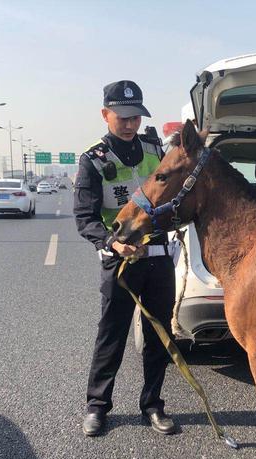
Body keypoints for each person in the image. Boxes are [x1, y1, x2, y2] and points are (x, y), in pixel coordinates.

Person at [74, 80, 177, 437]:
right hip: (118, 262)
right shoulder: (94, 160)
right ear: (106, 115)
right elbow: (84, 219)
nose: (131, 124)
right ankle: (97, 406)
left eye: (136, 117)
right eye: (123, 117)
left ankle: (153, 404)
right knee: (112, 335)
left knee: (159, 335)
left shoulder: (154, 148)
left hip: (159, 257)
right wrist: (112, 243)